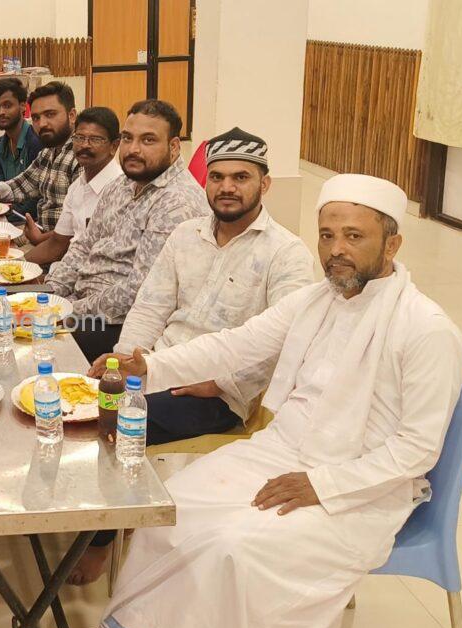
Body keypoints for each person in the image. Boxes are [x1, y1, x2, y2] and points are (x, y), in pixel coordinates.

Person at [26, 174, 462, 628]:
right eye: (327, 235)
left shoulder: (426, 330)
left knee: (231, 544)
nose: (336, 250)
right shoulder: (317, 300)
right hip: (283, 452)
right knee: (168, 507)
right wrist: (149, 365)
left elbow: (417, 449)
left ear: (393, 243)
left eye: (354, 236)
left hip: (358, 490)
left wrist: (322, 485)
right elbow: (236, 346)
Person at [71, 128, 315, 585]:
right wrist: (123, 359)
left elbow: (284, 342)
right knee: (78, 400)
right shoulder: (186, 235)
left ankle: (100, 541)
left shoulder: (286, 254)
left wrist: (222, 383)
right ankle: (96, 511)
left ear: (264, 184)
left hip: (216, 393)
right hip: (158, 366)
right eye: (218, 177)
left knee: (111, 424)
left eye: (241, 177)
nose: (227, 187)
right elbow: (150, 306)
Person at [45, 100, 209, 360]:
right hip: (83, 303)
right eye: (127, 138)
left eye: (148, 140)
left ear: (174, 147)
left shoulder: (177, 203)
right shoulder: (121, 184)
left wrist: (68, 310)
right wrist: (50, 293)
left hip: (121, 323)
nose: (133, 149)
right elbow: (84, 246)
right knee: (4, 311)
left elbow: (139, 291)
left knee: (34, 342)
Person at [24, 106, 123, 266]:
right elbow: (56, 244)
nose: (85, 145)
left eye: (95, 139)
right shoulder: (77, 187)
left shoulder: (121, 190)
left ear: (114, 146)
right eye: (79, 137)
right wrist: (15, 265)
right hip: (68, 270)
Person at [0, 81, 80, 233]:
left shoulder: (81, 156)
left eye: (50, 114)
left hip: (58, 242)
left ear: (71, 116)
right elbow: (21, 185)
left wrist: (40, 240)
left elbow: (78, 228)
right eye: (36, 118)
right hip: (39, 232)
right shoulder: (48, 152)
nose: (42, 124)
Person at [0, 77, 42, 219]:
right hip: (6, 215)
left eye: (7, 105)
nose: (1, 112)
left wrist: (1, 214)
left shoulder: (36, 143)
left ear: (23, 106)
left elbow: (35, 201)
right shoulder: (0, 144)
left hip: (28, 221)